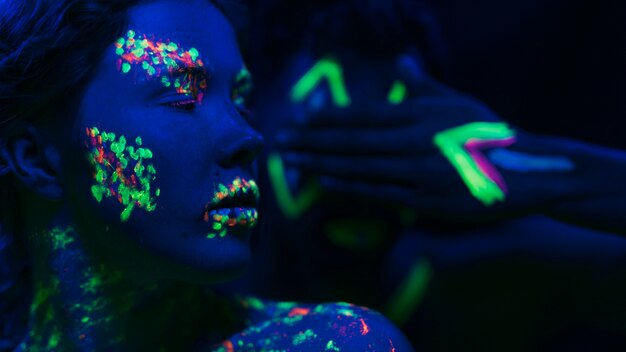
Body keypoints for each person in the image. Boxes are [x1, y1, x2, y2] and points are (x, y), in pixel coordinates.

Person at [0, 0, 414, 350]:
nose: (248, 137)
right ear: (35, 158)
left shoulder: (337, 341)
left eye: (241, 101)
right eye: (182, 96)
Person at [244, 0, 626, 349]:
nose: (363, 168)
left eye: (395, 135)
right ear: (252, 118)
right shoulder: (204, 312)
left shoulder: (504, 289)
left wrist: (533, 166)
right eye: (327, 137)